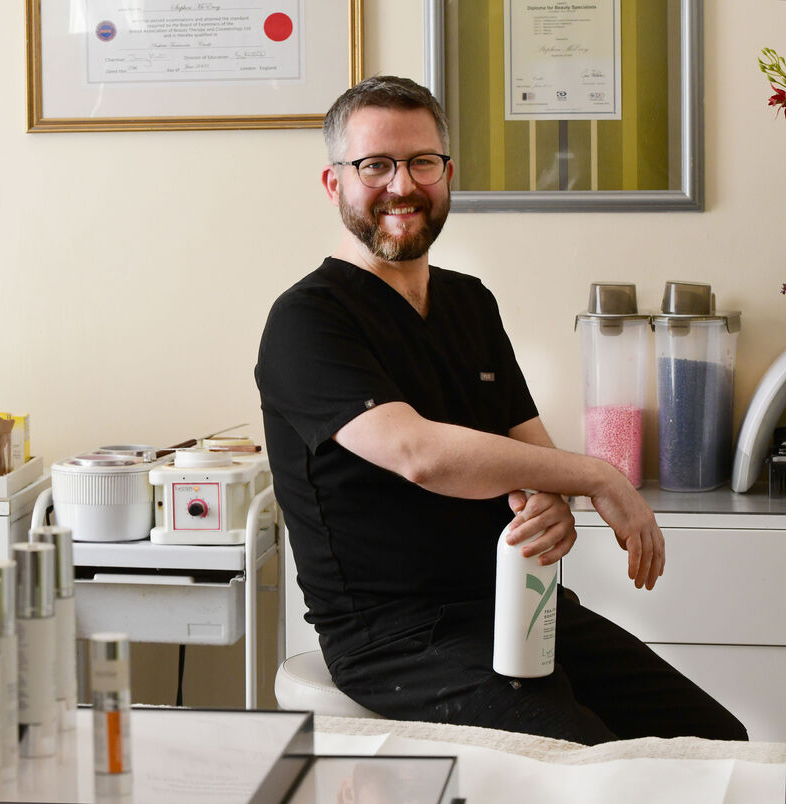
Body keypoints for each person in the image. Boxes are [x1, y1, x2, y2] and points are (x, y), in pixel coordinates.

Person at [254, 75, 746, 745]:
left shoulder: (468, 303)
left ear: (447, 173)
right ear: (333, 181)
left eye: (422, 162)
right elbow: (418, 454)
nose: (401, 184)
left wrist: (552, 504)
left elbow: (536, 458)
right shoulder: (307, 320)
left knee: (713, 740)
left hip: (523, 604)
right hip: (397, 638)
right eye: (375, 164)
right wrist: (596, 476)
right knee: (584, 764)